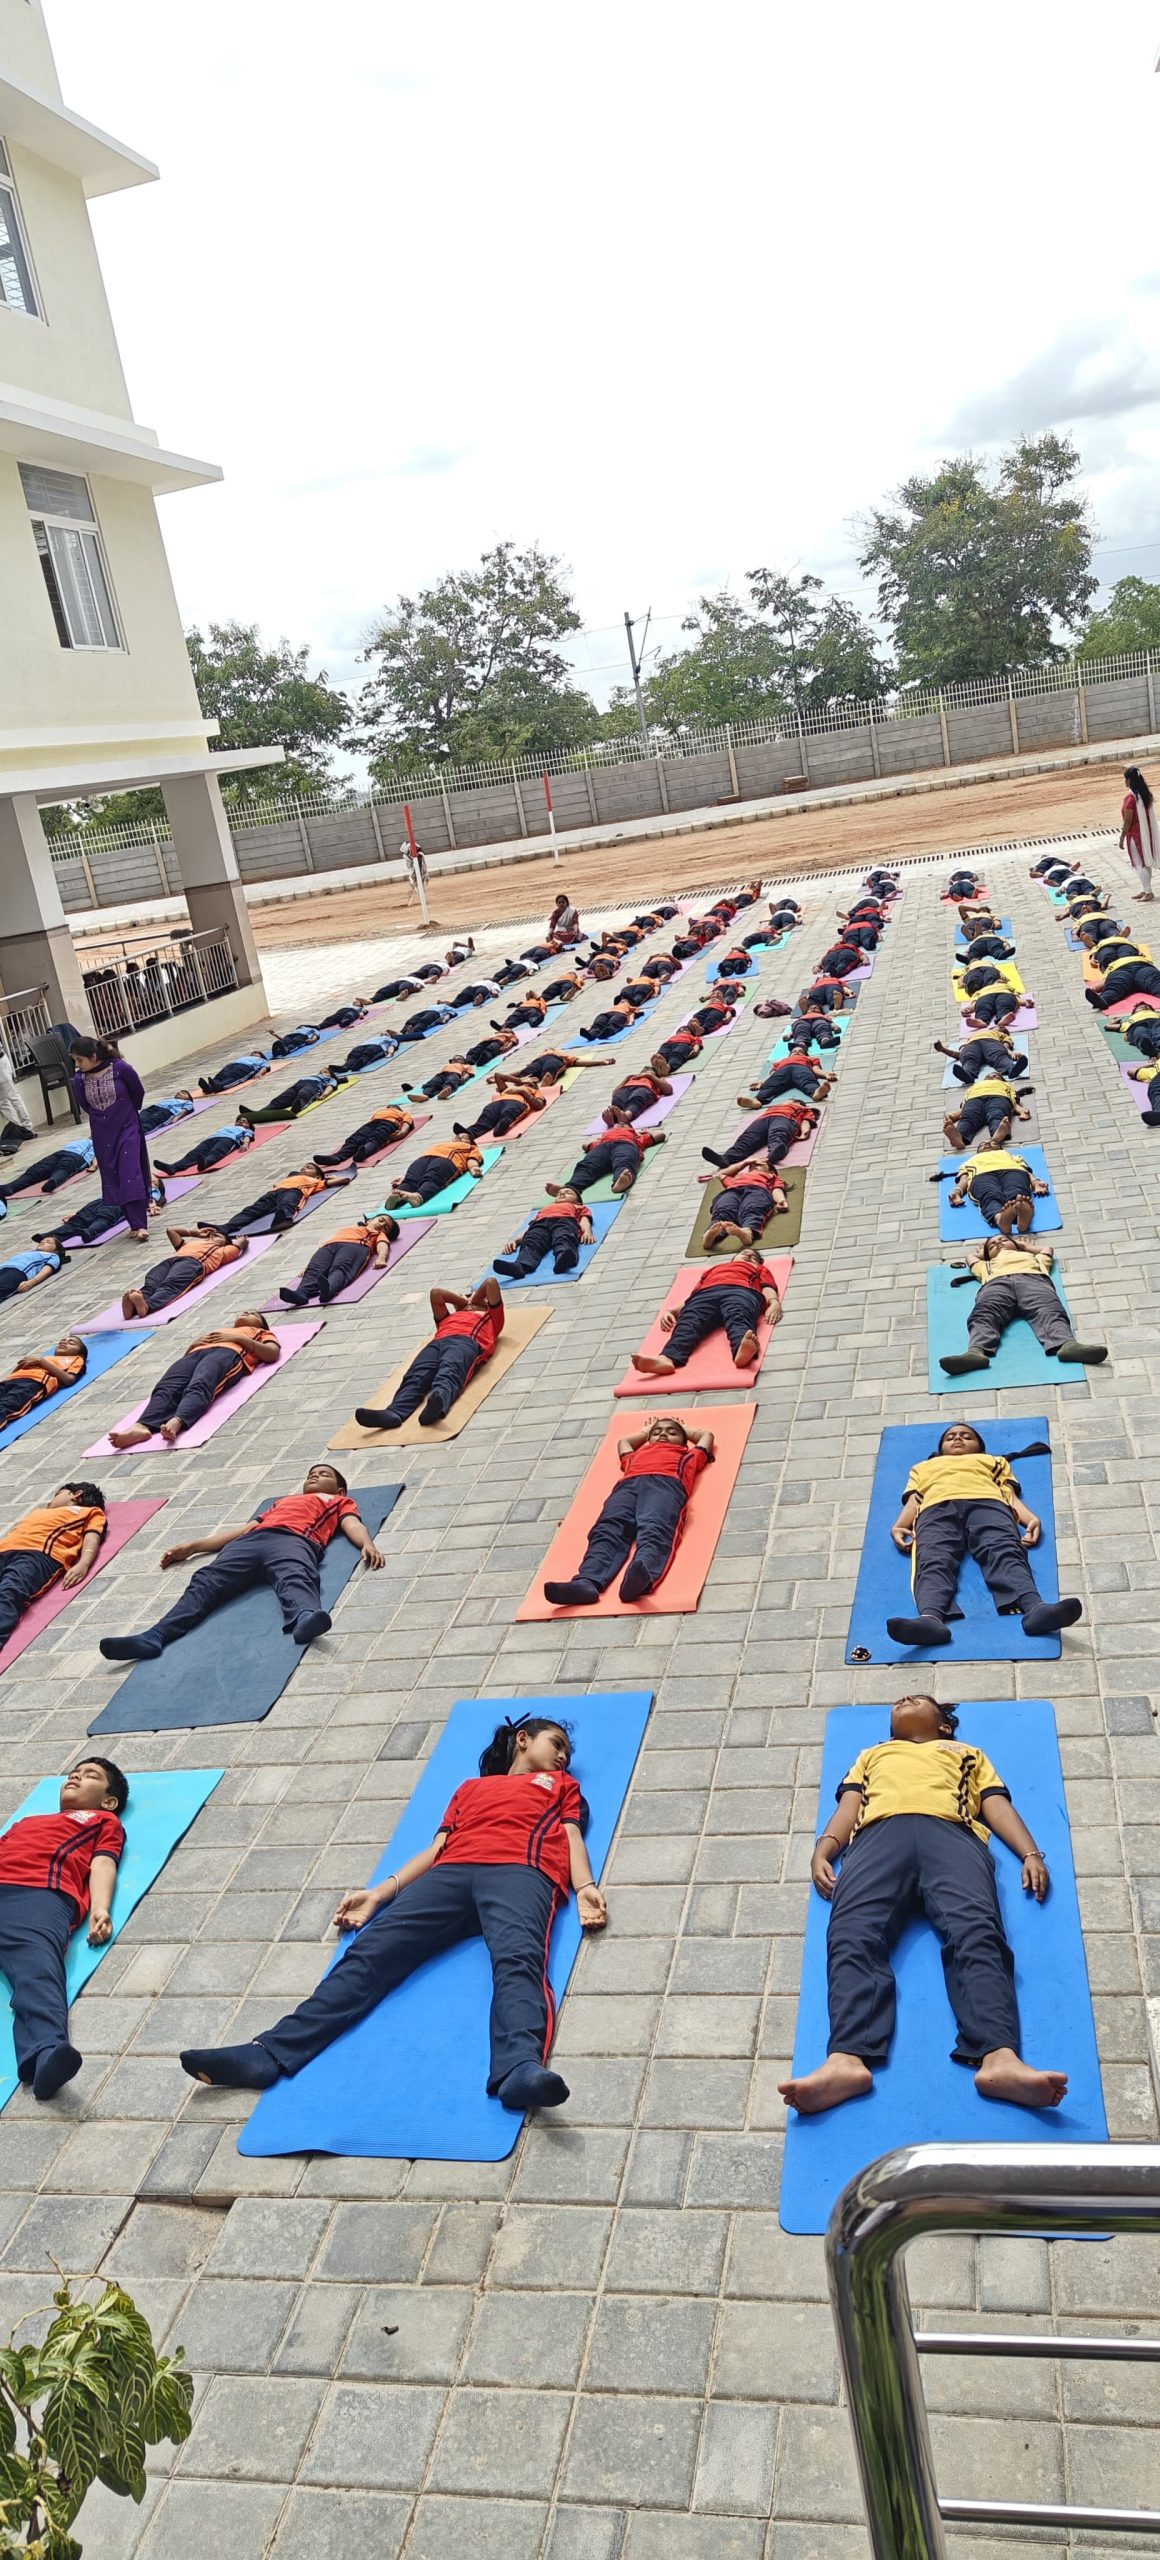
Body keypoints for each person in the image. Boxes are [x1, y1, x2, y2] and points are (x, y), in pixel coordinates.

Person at [180, 1713, 604, 2109]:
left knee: (518, 1960)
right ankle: (269, 2053)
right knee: (371, 1952)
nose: (564, 1756)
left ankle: (518, 2069)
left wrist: (584, 1886)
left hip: (521, 1872)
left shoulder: (561, 1786)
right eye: (558, 1743)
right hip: (450, 1874)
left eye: (568, 1752)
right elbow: (436, 1849)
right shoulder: (470, 1789)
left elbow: (569, 1834)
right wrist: (379, 1894)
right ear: (522, 1740)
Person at [777, 1693, 1066, 2118]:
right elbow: (850, 1805)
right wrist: (824, 1849)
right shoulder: (874, 1754)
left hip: (951, 1838)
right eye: (897, 1701)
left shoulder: (965, 1753)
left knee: (977, 1932)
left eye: (920, 1699)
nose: (906, 1697)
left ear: (944, 1726)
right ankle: (845, 2059)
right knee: (851, 1934)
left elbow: (994, 1804)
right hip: (877, 1840)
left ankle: (999, 2058)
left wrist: (1031, 1853)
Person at [99, 1463, 384, 1662]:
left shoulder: (336, 1502)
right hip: (249, 1543)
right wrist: (192, 1547)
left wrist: (367, 1544)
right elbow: (242, 1530)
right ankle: (155, 1636)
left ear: (340, 1489)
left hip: (294, 1541)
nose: (314, 1476)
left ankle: (305, 1618)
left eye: (323, 1475)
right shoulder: (282, 1502)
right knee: (205, 1582)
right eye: (311, 1474)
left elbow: (351, 1524)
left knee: (296, 1574)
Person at [884, 1421, 1082, 1648]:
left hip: (988, 1504)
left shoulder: (993, 1461)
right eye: (950, 1437)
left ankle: (1035, 1608)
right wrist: (900, 1525)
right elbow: (915, 1499)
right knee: (933, 1558)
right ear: (940, 1450)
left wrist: (1030, 1519)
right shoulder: (922, 1467)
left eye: (966, 1436)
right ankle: (930, 1619)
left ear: (979, 1446)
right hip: (935, 1509)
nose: (958, 1438)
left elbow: (1008, 1494)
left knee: (1004, 1549)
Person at [0, 1755, 129, 2101]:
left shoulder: (102, 1821)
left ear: (109, 1800)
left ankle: (45, 2053)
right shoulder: (25, 1822)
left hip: (37, 1894)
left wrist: (100, 1909)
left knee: (38, 1971)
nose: (75, 1777)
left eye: (89, 1776)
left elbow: (103, 1862)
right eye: (73, 1773)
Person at [544, 1415, 716, 1608]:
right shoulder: (633, 1456)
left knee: (655, 1529)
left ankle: (641, 1579)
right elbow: (624, 1442)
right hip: (627, 1488)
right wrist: (645, 1431)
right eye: (657, 1432)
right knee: (607, 1529)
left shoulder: (688, 1455)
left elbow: (706, 1436)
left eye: (672, 1432)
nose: (663, 1434)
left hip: (665, 1486)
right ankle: (587, 1582)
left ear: (684, 1441)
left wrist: (685, 1427)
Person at [108, 1313, 281, 1448]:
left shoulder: (261, 1332)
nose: (245, 1312)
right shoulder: (221, 1329)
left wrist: (241, 1339)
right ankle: (142, 1426)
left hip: (227, 1353)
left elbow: (272, 1353)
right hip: (195, 1354)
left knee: (202, 1382)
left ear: (261, 1324)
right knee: (166, 1387)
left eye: (253, 1313)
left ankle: (178, 1420)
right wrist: (193, 1345)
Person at [939, 1237, 1106, 1374]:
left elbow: (1047, 1249)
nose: (997, 1243)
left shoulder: (1033, 1258)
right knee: (984, 1314)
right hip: (997, 1284)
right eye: (992, 1245)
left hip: (1033, 1280)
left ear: (1016, 1245)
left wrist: (1024, 1246)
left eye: (1003, 1239)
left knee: (1049, 1310)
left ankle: (1067, 1345)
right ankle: (975, 1353)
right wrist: (985, 1254)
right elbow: (970, 1259)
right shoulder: (986, 1266)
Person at [355, 1278, 505, 1430]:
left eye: (472, 1296)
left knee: (450, 1371)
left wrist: (472, 1302)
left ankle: (437, 1404)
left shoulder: (492, 1317)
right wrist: (464, 1302)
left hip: (467, 1342)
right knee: (415, 1376)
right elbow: (436, 1294)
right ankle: (394, 1412)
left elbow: (490, 1283)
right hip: (437, 1344)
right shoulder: (447, 1319)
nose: (469, 1299)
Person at [631, 1249, 782, 1375]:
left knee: (738, 1315)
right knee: (689, 1321)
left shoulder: (760, 1269)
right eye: (744, 1253)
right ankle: (667, 1359)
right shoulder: (713, 1269)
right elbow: (693, 1296)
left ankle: (742, 1351)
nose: (748, 1255)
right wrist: (673, 1311)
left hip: (741, 1292)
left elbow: (767, 1286)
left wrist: (773, 1302)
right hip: (705, 1295)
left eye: (753, 1256)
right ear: (732, 1258)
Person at [0, 1482, 107, 1647]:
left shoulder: (90, 1512)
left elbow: (93, 1535)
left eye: (57, 1494)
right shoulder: (37, 1513)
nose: (50, 1500)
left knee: (11, 1589)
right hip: (4, 1550)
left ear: (75, 1494)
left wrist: (84, 1563)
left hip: (38, 1554)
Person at [70, 1038, 151, 1242]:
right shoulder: (79, 1080)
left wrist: (125, 1113)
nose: (77, 1065)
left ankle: (140, 1224)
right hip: (102, 1133)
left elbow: (137, 1092)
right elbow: (85, 1105)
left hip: (127, 1127)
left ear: (93, 1056)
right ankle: (132, 1221)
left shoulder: (120, 1069)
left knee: (129, 1171)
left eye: (80, 1060)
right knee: (114, 1175)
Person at [120, 1224, 249, 1321]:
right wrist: (196, 1233)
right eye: (211, 1235)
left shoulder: (222, 1251)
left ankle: (147, 1306)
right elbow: (170, 1231)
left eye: (217, 1236)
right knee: (152, 1282)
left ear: (225, 1243)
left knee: (170, 1285)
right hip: (171, 1261)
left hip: (193, 1264)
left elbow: (238, 1246)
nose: (212, 1236)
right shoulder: (186, 1245)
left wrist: (242, 1240)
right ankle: (132, 1307)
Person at [278, 1213, 399, 1306]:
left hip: (356, 1246)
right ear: (371, 1219)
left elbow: (383, 1244)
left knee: (341, 1268)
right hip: (329, 1246)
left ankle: (329, 1289)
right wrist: (307, 1267)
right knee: (314, 1270)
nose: (381, 1225)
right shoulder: (349, 1228)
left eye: (385, 1227)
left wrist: (381, 1258)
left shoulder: (377, 1234)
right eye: (381, 1220)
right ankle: (301, 1294)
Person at [219, 1165, 351, 1239]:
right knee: (251, 1210)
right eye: (303, 1167)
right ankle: (226, 1227)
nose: (303, 1168)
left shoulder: (315, 1181)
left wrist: (331, 1176)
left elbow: (343, 1180)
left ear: (317, 1176)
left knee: (287, 1204)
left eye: (309, 1167)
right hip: (273, 1193)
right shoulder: (291, 1177)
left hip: (294, 1191)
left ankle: (283, 1219)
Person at [549, 1116, 665, 1198]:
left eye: (624, 1124)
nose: (619, 1124)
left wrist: (643, 1133)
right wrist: (598, 1141)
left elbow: (661, 1135)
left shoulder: (636, 1136)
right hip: (603, 1147)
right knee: (586, 1165)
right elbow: (585, 1146)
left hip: (625, 1144)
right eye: (616, 1125)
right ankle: (570, 1188)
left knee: (624, 1161)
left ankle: (619, 1182)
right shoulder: (602, 1139)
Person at [944, 1144, 1049, 1235]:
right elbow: (964, 1179)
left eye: (993, 1143)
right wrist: (957, 1192)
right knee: (990, 1195)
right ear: (978, 1151)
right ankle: (1000, 1219)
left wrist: (1036, 1183)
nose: (987, 1144)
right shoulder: (971, 1160)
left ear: (1000, 1148)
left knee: (1017, 1191)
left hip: (1013, 1171)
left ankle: (1021, 1217)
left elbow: (1025, 1171)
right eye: (983, 1144)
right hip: (981, 1175)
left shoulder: (1009, 1155)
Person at [493, 1192, 594, 1279]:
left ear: (578, 1201)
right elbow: (531, 1227)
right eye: (559, 1193)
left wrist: (587, 1231)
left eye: (568, 1193)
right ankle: (520, 1266)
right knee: (532, 1241)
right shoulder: (545, 1208)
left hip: (564, 1220)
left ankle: (562, 1258)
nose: (562, 1194)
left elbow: (584, 1220)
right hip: (540, 1223)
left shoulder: (578, 1207)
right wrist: (517, 1240)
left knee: (563, 1236)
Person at [701, 1098, 818, 1172]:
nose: (783, 1102)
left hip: (786, 1119)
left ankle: (774, 1154)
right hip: (762, 1120)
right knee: (746, 1139)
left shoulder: (803, 1109)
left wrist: (804, 1132)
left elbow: (806, 1121)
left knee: (779, 1134)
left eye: (786, 1100)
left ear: (795, 1102)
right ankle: (726, 1159)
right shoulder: (774, 1108)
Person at [0, 1338, 87, 1427]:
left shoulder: (76, 1359)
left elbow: (69, 1379)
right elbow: (16, 1372)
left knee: (8, 1404)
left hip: (33, 1383)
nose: (64, 1342)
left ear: (81, 1354)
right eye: (62, 1341)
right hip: (10, 1381)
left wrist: (41, 1361)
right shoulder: (45, 1358)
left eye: (71, 1343)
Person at [382, 1136, 485, 1210]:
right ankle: (395, 1199)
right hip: (423, 1159)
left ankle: (418, 1197)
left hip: (447, 1160)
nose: (459, 1137)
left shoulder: (471, 1148)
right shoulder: (441, 1144)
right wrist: (404, 1176)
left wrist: (473, 1168)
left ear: (470, 1142)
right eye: (457, 1136)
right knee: (411, 1180)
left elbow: (472, 1159)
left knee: (432, 1177)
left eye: (464, 1138)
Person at [702, 1161, 789, 1247]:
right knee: (724, 1208)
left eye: (758, 1164)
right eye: (750, 1166)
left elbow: (776, 1189)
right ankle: (711, 1235)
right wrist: (745, 1163)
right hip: (733, 1190)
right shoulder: (738, 1177)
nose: (752, 1165)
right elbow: (721, 1174)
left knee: (753, 1208)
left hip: (757, 1190)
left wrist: (780, 1200)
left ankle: (747, 1232)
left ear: (771, 1171)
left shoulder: (772, 1176)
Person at [942, 1074, 1031, 1153]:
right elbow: (964, 1109)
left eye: (996, 1076)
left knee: (997, 1115)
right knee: (968, 1117)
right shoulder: (975, 1086)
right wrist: (953, 1116)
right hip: (974, 1099)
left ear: (1002, 1080)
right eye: (988, 1076)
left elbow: (1013, 1102)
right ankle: (958, 1138)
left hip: (998, 1097)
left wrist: (1022, 1111)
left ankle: (997, 1135)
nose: (992, 1077)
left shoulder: (1006, 1085)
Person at [311, 1103, 414, 1169]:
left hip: (390, 1123)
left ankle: (364, 1152)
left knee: (377, 1137)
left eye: (393, 1106)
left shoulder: (403, 1113)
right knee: (354, 1139)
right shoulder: (379, 1112)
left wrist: (403, 1131)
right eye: (389, 1106)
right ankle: (337, 1157)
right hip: (372, 1123)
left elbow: (407, 1122)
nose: (390, 1107)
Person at [0, 1137, 95, 1202]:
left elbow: (98, 1158)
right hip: (65, 1154)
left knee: (55, 1169)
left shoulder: (96, 1144)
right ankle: (10, 1187)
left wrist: (94, 1166)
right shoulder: (88, 1141)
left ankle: (53, 1181)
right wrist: (94, 1166)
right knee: (38, 1169)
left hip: (73, 1155)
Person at [453, 1080, 546, 1142]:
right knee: (484, 1121)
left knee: (508, 1113)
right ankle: (466, 1135)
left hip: (516, 1103)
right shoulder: (509, 1089)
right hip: (496, 1103)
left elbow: (539, 1105)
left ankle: (501, 1127)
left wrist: (522, 1091)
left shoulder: (534, 1091)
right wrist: (518, 1081)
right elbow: (498, 1075)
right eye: (523, 1082)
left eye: (529, 1083)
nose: (525, 1083)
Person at [154, 1122, 254, 1178]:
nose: (241, 1121)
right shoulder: (226, 1127)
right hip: (211, 1139)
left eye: (245, 1121)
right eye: (239, 1120)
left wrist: (245, 1143)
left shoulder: (246, 1130)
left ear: (249, 1126)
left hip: (228, 1140)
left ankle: (205, 1163)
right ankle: (174, 1167)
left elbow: (248, 1136)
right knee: (194, 1153)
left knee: (216, 1152)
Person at [236, 1072, 340, 1125]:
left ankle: (296, 1108)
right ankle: (258, 1112)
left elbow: (330, 1086)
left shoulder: (330, 1079)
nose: (322, 1072)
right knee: (279, 1099)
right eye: (321, 1071)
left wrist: (324, 1094)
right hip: (297, 1085)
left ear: (331, 1074)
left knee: (304, 1094)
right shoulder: (309, 1075)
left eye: (325, 1071)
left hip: (313, 1086)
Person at [736, 1054, 834, 1109]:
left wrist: (825, 1074)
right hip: (782, 1071)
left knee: (806, 1080)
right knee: (772, 1084)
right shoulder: (779, 1062)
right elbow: (772, 1075)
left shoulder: (810, 1059)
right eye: (794, 1051)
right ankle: (757, 1100)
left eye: (800, 1051)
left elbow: (815, 1069)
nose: (797, 1052)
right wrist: (762, 1082)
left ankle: (816, 1093)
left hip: (801, 1068)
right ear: (789, 1055)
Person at [1120, 764, 1160, 901]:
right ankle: (1144, 889)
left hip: (1136, 834)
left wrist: (1121, 837)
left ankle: (1148, 891)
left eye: (1125, 779)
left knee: (1139, 863)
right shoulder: (1145, 795)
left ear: (1129, 780)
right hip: (1146, 832)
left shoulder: (1131, 798)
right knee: (1145, 860)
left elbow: (1127, 820)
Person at [933, 1031, 1029, 1084]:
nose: (1000, 1027)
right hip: (972, 1044)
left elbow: (1005, 1046)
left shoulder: (1001, 1034)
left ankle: (1011, 1069)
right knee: (968, 1057)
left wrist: (1010, 1053)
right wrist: (942, 1049)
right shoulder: (969, 1038)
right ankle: (967, 1075)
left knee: (999, 1056)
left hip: (991, 1042)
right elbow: (959, 1055)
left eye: (1003, 1028)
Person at [1084, 949, 1160, 1011]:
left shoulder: (1127, 946)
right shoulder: (1103, 949)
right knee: (1115, 985)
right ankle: (1103, 1000)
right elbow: (1107, 981)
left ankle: (1104, 999)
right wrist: (1095, 989)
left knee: (1155, 981)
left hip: (1141, 965)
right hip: (1120, 969)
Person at [0, 1242, 67, 1300]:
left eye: (48, 1242)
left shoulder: (53, 1255)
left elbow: (48, 1269)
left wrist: (31, 1282)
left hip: (17, 1272)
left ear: (55, 1250)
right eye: (42, 1241)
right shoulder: (27, 1253)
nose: (43, 1242)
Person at [602, 1070, 672, 1123]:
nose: (644, 1073)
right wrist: (626, 1079)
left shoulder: (656, 1080)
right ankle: (613, 1117)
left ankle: (627, 1116)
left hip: (644, 1088)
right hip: (625, 1088)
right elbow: (614, 1093)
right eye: (643, 1071)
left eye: (648, 1071)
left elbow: (668, 1090)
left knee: (637, 1098)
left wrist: (650, 1076)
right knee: (617, 1099)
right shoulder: (631, 1079)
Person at [197, 1051, 272, 1096]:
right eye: (253, 1053)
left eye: (257, 1053)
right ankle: (208, 1087)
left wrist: (259, 1073)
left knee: (233, 1078)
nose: (254, 1053)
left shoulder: (262, 1060)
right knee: (221, 1075)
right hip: (232, 1065)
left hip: (246, 1068)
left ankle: (220, 1087)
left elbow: (265, 1067)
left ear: (261, 1056)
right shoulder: (244, 1057)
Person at [402, 1059, 474, 1103]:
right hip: (441, 1075)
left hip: (455, 1074)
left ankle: (444, 1092)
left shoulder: (465, 1066)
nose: (456, 1059)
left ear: (464, 1062)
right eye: (454, 1058)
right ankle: (425, 1095)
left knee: (451, 1081)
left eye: (459, 1059)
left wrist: (464, 1078)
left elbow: (468, 1073)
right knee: (434, 1083)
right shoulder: (446, 1065)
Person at [578, 998, 643, 1043]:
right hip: (606, 1014)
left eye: (625, 1001)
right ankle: (591, 1034)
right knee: (599, 1023)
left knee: (613, 1023)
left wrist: (636, 1013)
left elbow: (635, 1013)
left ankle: (606, 1032)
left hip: (620, 1014)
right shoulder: (613, 1006)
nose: (622, 1001)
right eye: (621, 1001)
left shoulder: (631, 1007)